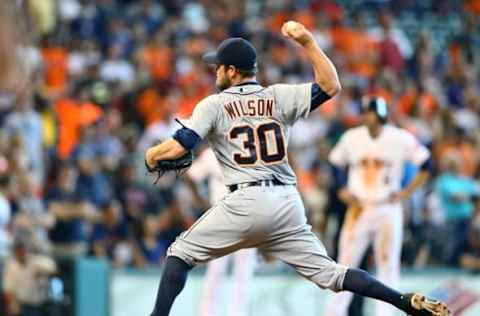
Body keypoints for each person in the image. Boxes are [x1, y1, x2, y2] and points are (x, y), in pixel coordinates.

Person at [145, 21, 449, 316]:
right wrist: (307, 42)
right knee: (332, 273)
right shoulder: (279, 96)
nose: (216, 72)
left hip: (244, 201)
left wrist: (152, 154)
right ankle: (402, 301)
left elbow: (181, 145)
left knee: (179, 254)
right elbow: (331, 85)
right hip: (286, 204)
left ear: (231, 71)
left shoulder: (214, 104)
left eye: (218, 67)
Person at [325, 97, 432, 316]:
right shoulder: (352, 137)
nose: (366, 116)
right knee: (345, 265)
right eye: (364, 112)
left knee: (388, 265)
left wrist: (405, 193)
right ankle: (335, 313)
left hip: (387, 207)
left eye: (370, 112)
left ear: (381, 115)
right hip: (359, 208)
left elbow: (427, 163)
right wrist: (341, 190)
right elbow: (335, 163)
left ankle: (385, 314)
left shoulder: (400, 138)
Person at [185, 145, 256, 316]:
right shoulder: (213, 153)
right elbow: (190, 176)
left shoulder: (253, 152)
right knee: (216, 271)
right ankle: (207, 313)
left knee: (243, 272)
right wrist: (199, 200)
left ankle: (237, 313)